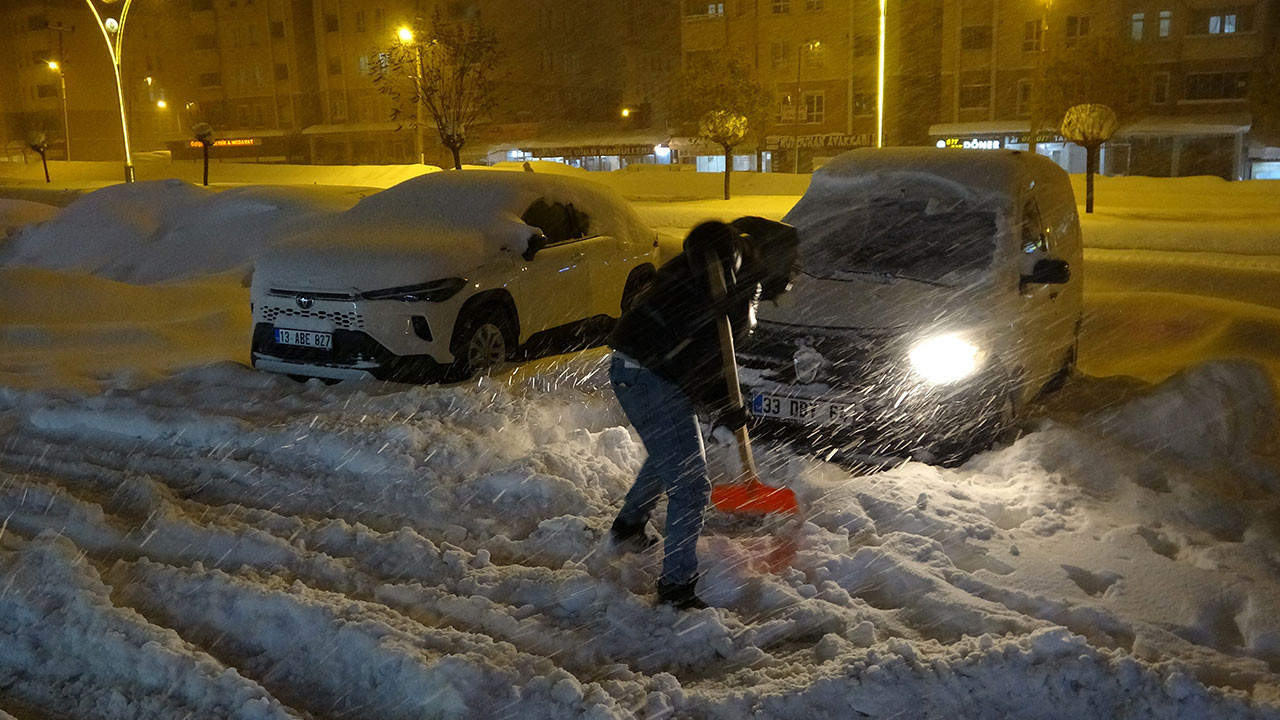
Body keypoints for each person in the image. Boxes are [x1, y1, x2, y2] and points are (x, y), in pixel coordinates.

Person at [607, 217, 800, 610]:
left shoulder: (726, 272)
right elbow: (710, 356)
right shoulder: (727, 276)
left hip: (640, 368)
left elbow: (703, 352)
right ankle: (676, 588)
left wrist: (727, 406)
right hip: (649, 375)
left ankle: (628, 526)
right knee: (692, 486)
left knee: (670, 453)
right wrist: (728, 406)